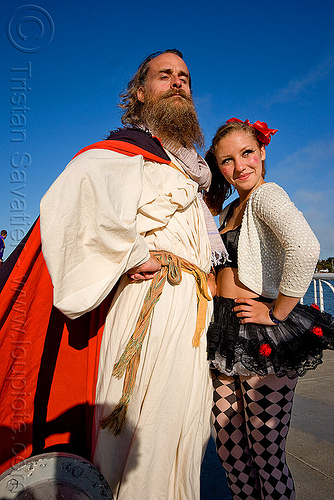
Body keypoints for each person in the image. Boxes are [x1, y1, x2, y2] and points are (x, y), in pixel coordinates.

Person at [38, 49, 221, 499]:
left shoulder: (189, 167)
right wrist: (133, 253)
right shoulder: (127, 152)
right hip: (152, 303)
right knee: (144, 431)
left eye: (185, 77)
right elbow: (73, 199)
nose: (178, 82)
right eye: (165, 75)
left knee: (185, 429)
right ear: (140, 93)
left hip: (192, 314)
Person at [204, 118, 334, 500]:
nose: (239, 166)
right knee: (229, 448)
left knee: (265, 451)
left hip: (261, 328)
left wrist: (275, 313)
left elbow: (305, 247)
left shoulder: (266, 195)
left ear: (262, 153)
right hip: (227, 326)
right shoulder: (232, 208)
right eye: (226, 161)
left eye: (246, 153)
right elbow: (229, 262)